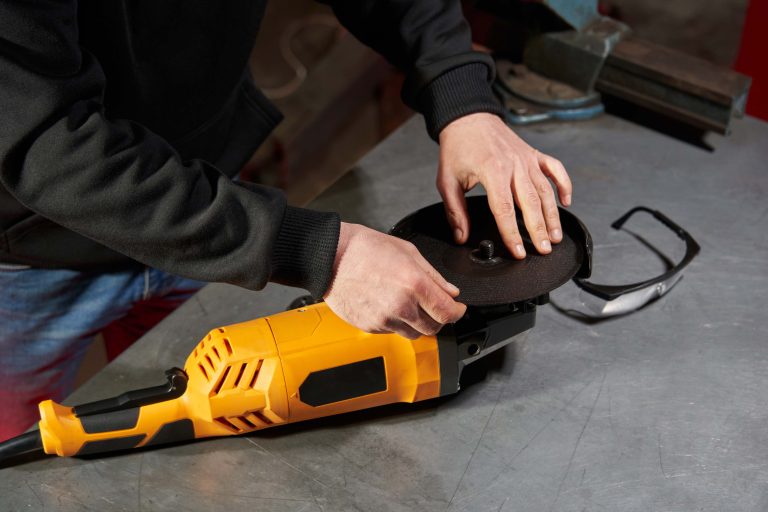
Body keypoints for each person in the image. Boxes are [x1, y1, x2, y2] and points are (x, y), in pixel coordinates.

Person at [0, 1, 572, 441]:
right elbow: (49, 142)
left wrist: (460, 94)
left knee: (218, 427)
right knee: (35, 450)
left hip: (210, 204)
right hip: (28, 260)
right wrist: (322, 251)